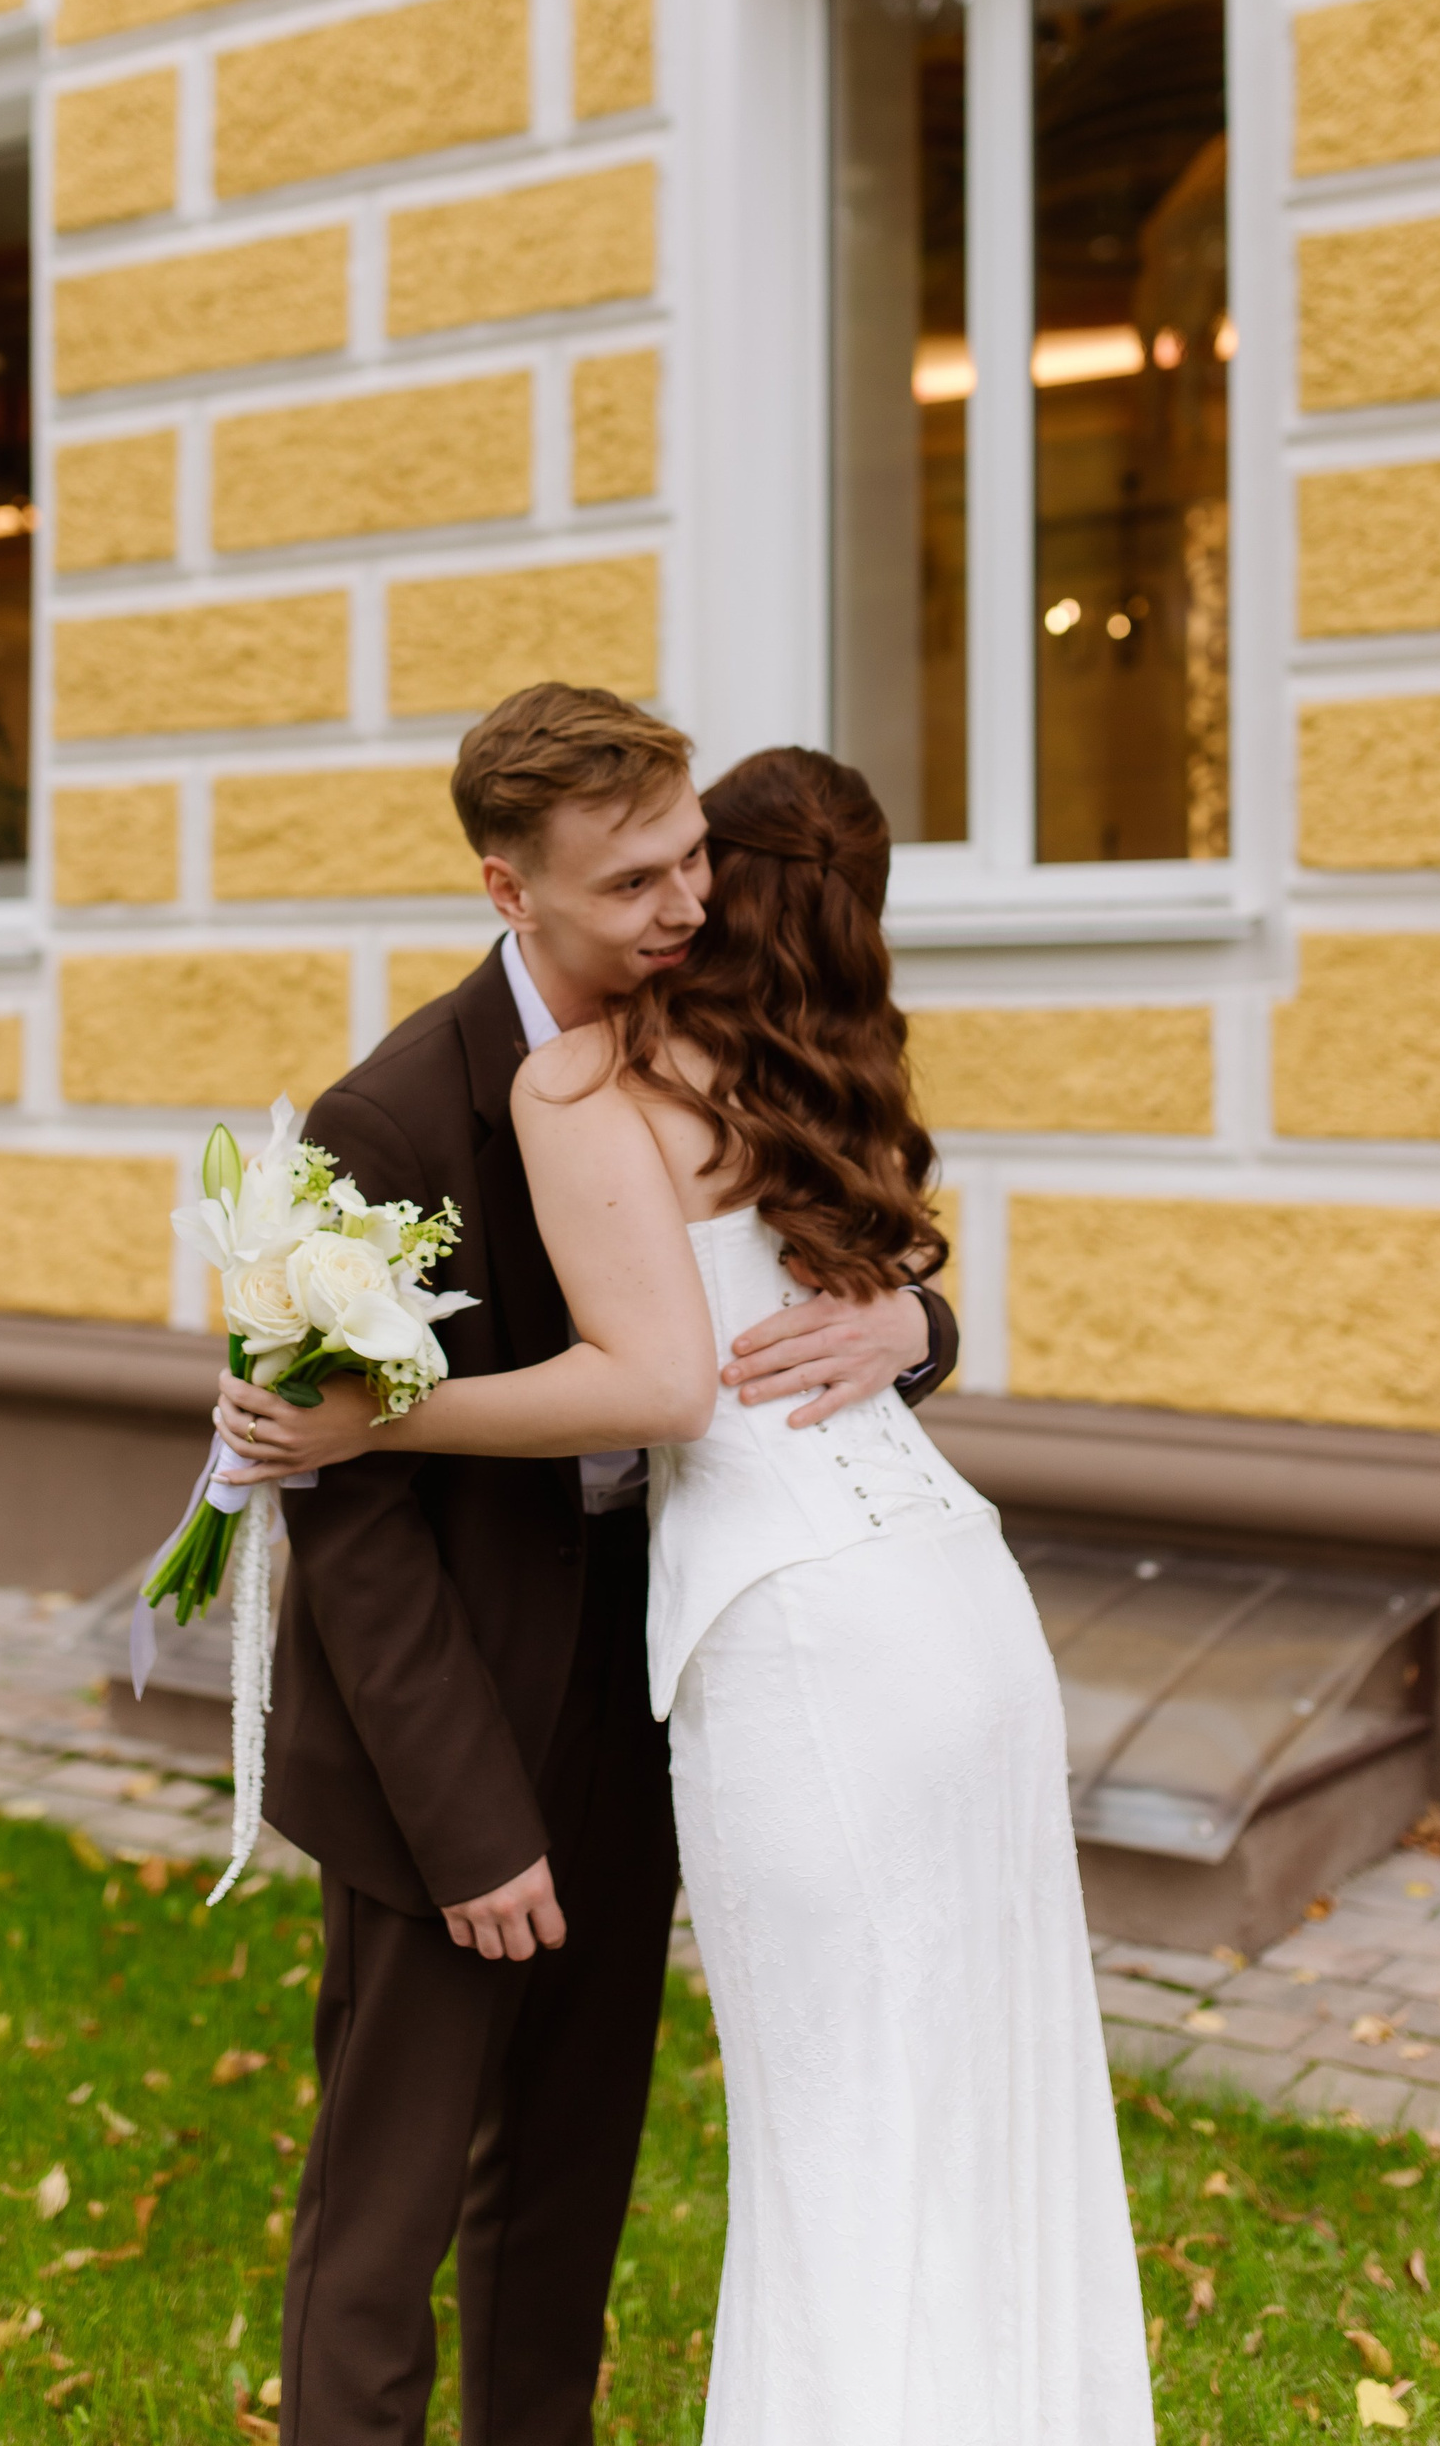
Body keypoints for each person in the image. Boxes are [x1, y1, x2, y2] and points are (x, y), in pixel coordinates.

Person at [227, 688, 956, 2446]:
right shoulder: (388, 1120)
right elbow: (354, 1523)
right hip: (444, 1730)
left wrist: (920, 1326)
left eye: (693, 855)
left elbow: (843, 1236)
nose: (689, 903)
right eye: (635, 882)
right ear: (511, 889)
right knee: (385, 2213)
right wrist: (472, 1826)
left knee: (567, 2192)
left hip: (651, 1690)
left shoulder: (713, 1028)